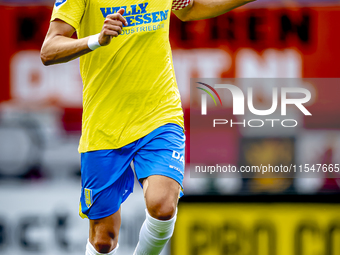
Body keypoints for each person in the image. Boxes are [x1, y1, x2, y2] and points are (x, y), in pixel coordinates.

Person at [40, 0, 255, 254]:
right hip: (104, 126)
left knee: (163, 206)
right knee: (103, 240)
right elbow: (49, 49)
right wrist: (97, 39)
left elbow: (189, 9)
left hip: (160, 115)